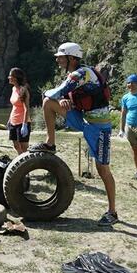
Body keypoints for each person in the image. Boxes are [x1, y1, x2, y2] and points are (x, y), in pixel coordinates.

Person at [29, 42, 118, 226]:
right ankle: (50, 143)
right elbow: (60, 95)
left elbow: (59, 90)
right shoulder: (75, 75)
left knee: (103, 170)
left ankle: (112, 212)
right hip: (84, 120)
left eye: (61, 57)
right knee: (48, 103)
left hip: (99, 128)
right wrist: (62, 100)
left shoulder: (82, 73)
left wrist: (58, 95)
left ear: (71, 58)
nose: (58, 60)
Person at [7, 67, 31, 154]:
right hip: (13, 122)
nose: (8, 78)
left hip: (22, 122)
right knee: (16, 146)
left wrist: (24, 125)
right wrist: (10, 120)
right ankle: (20, 163)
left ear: (15, 77)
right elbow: (14, 106)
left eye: (10, 76)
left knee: (23, 147)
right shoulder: (13, 89)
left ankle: (25, 164)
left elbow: (26, 109)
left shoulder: (23, 90)